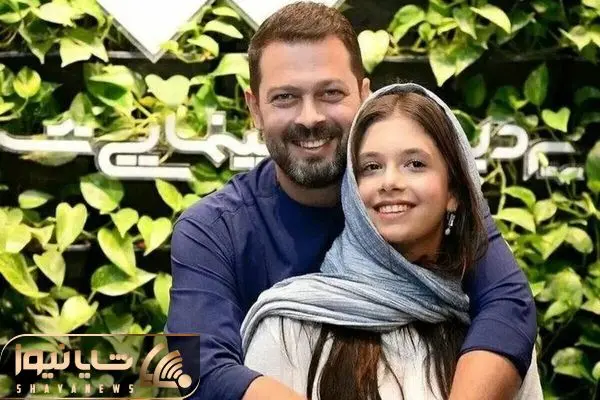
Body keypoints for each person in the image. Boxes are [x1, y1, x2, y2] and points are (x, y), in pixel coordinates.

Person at [166, 2, 536, 400]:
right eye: (285, 97)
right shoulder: (214, 229)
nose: (309, 117)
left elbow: (508, 305)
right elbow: (195, 366)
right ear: (254, 108)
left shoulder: (412, 205)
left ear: (364, 94)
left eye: (330, 93)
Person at [241, 83, 543, 400]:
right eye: (371, 167)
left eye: (415, 164)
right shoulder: (289, 327)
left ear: (453, 192)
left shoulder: (496, 336)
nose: (390, 182)